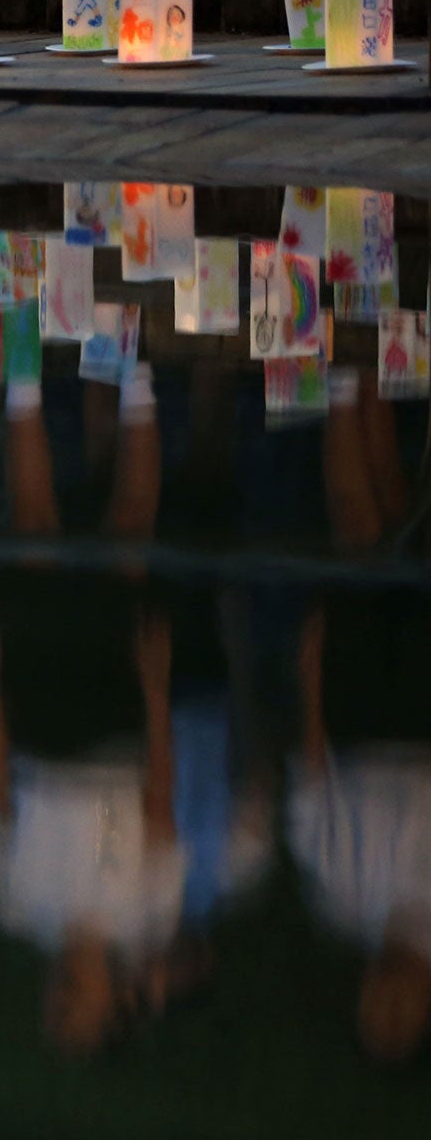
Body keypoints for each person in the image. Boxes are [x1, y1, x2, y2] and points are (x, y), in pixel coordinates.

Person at [0, 364, 185, 1057]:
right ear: (115, 1005)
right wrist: (156, 694)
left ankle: (23, 370)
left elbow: (2, 789)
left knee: (33, 530)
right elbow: (160, 801)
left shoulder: (18, 908)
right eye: (77, 1014)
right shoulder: (147, 915)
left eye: (52, 1013)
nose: (61, 1000)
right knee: (129, 533)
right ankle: (137, 370)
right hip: (115, 734)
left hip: (40, 727)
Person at [288, 368, 431, 1065]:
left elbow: (313, 785)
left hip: (359, 712)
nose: (385, 997)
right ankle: (382, 360)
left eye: (373, 1011)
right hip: (423, 720)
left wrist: (310, 678)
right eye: (398, 1016)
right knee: (401, 519)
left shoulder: (342, 903)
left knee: (355, 530)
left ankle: (349, 369)